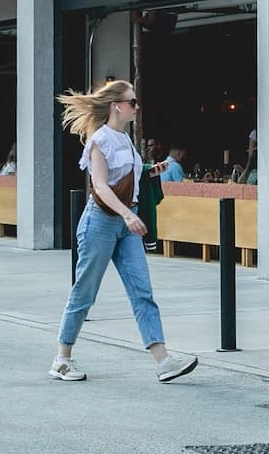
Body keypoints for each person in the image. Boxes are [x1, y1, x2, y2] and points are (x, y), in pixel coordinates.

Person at [50, 80, 197, 383]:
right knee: (85, 292)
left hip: (125, 227)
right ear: (117, 105)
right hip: (101, 223)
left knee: (142, 291)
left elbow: (128, 176)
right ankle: (62, 359)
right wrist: (129, 215)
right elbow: (101, 186)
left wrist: (150, 171)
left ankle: (163, 362)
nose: (136, 107)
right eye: (132, 102)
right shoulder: (99, 140)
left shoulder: (125, 139)